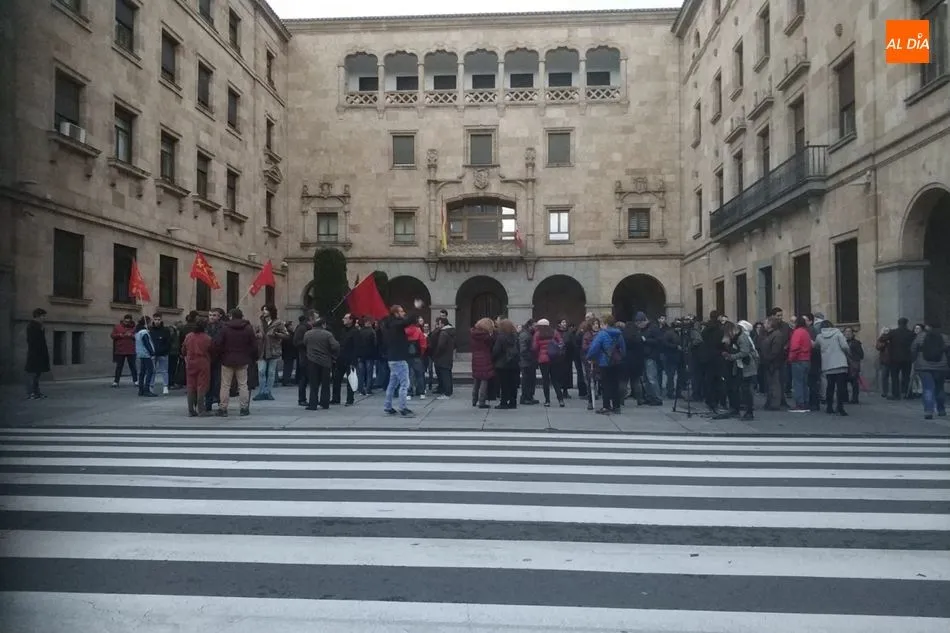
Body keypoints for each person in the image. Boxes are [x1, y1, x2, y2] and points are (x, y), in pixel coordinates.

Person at [380, 301, 423, 416]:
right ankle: (403, 407)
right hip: (399, 358)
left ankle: (388, 406)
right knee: (405, 384)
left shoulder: (388, 324)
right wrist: (415, 309)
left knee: (392, 383)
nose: (403, 313)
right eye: (401, 311)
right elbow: (407, 321)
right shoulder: (396, 324)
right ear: (395, 313)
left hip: (392, 358)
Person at [213, 307, 258, 417]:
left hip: (227, 359)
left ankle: (223, 408)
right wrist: (253, 357)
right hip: (243, 359)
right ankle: (244, 408)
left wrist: (220, 355)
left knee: (225, 385)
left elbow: (217, 344)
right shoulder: (248, 328)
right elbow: (254, 345)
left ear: (231, 316)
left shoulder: (225, 328)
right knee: (243, 385)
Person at [586, 314, 626, 414]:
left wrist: (589, 357)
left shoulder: (602, 334)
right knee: (615, 384)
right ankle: (616, 406)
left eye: (602, 323)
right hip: (617, 362)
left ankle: (606, 406)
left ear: (606, 324)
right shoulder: (619, 334)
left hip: (605, 362)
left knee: (606, 384)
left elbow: (594, 348)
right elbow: (623, 349)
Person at [911, 321, 949, 420]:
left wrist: (914, 360)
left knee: (928, 388)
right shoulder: (945, 337)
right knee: (940, 388)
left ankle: (928, 410)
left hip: (924, 367)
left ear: (929, 327)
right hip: (941, 366)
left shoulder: (921, 336)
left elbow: (913, 348)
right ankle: (941, 409)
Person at [814, 320, 851, 416]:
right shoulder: (838, 333)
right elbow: (844, 346)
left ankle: (829, 407)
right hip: (840, 363)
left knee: (830, 387)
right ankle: (840, 407)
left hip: (828, 364)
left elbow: (816, 347)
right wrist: (847, 353)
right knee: (840, 387)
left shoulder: (819, 336)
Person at [254, 304, 289, 401]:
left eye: (266, 309)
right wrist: (257, 335)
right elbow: (254, 333)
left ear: (271, 311)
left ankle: (268, 392)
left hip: (273, 350)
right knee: (261, 371)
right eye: (263, 310)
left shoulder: (278, 322)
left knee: (271, 372)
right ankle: (261, 392)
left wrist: (277, 334)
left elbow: (286, 335)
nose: (264, 311)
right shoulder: (259, 322)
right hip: (261, 350)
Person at [303, 316, 339, 410]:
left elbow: (304, 343)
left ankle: (313, 404)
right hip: (325, 362)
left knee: (314, 384)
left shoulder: (307, 334)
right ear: (323, 325)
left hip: (312, 361)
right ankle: (325, 403)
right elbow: (335, 346)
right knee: (325, 384)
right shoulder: (328, 334)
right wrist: (333, 355)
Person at [181, 318, 213, 417]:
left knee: (191, 386)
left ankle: (191, 410)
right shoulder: (207, 338)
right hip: (203, 362)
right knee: (201, 386)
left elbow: (183, 350)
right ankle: (201, 410)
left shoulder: (188, 336)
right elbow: (212, 351)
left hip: (190, 362)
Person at [532, 318, 566, 407]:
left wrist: (537, 355)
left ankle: (547, 401)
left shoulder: (538, 334)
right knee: (555, 380)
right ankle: (561, 400)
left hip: (543, 360)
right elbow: (561, 343)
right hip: (554, 359)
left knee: (545, 380)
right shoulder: (554, 332)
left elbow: (535, 347)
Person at [492, 319, 520, 409]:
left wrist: (493, 359)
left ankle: (504, 402)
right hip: (514, 364)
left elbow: (496, 350)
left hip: (502, 364)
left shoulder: (501, 337)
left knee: (504, 384)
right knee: (513, 384)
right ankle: (513, 402)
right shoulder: (516, 336)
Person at [884, 317, 915, 400]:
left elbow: (884, 339)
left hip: (895, 358)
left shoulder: (893, 332)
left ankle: (896, 394)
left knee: (894, 377)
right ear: (906, 323)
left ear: (898, 323)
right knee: (906, 376)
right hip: (907, 358)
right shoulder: (910, 333)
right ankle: (906, 393)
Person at [787, 316, 812, 412]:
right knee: (804, 383)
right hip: (806, 359)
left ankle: (800, 404)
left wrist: (790, 358)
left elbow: (795, 347)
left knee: (797, 383)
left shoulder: (797, 332)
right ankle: (805, 402)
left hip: (798, 360)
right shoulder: (806, 332)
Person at [470, 317, 496, 409]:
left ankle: (474, 399)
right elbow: (491, 343)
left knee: (476, 379)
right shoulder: (486, 336)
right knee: (484, 379)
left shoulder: (473, 334)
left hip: (475, 358)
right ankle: (482, 401)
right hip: (485, 357)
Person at [332, 313, 357, 406]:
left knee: (350, 380)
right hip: (340, 358)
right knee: (336, 379)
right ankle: (335, 398)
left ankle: (350, 399)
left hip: (350, 359)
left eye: (345, 318)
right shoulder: (342, 330)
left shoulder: (355, 331)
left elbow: (357, 346)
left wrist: (354, 360)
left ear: (351, 320)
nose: (343, 319)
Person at [25, 308, 50, 399]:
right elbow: (32, 341)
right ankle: (31, 393)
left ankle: (36, 392)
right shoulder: (32, 326)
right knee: (32, 373)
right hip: (34, 353)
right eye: (43, 316)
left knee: (37, 374)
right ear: (38, 316)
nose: (44, 318)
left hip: (39, 353)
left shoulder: (39, 326)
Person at [431, 316, 456, 399]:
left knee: (445, 376)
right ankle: (449, 391)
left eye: (439, 323)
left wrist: (436, 355)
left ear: (442, 323)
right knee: (447, 374)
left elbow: (441, 346)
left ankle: (447, 393)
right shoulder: (451, 331)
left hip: (442, 358)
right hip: (448, 357)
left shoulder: (443, 333)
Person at [111, 314, 138, 387]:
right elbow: (112, 335)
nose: (127, 323)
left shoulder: (134, 328)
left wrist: (131, 335)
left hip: (131, 350)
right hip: (120, 350)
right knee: (119, 366)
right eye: (125, 321)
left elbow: (137, 337)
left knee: (133, 366)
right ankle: (116, 382)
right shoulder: (117, 327)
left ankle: (135, 381)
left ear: (131, 321)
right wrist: (120, 335)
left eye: (128, 321)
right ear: (123, 320)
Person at [148, 313, 172, 395]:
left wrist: (163, 350)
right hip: (153, 354)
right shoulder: (150, 330)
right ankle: (151, 386)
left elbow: (168, 342)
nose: (157, 321)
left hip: (163, 354)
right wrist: (151, 352)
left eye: (158, 319)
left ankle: (165, 386)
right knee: (152, 371)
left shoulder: (165, 330)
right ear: (153, 320)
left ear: (161, 320)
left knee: (164, 371)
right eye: (155, 319)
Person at [293, 312, 314, 405]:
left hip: (308, 356)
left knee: (307, 379)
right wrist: (308, 342)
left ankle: (307, 399)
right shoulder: (302, 328)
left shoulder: (306, 328)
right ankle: (302, 399)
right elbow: (296, 342)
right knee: (304, 379)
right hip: (305, 357)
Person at [405, 317, 428, 400]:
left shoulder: (404, 331)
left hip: (407, 357)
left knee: (409, 375)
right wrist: (421, 353)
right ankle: (421, 392)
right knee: (419, 375)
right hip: (417, 356)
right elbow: (423, 344)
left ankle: (409, 393)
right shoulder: (418, 331)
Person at [134, 316, 156, 397]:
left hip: (140, 353)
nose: (150, 324)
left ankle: (141, 390)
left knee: (142, 372)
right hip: (146, 354)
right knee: (150, 371)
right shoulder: (144, 332)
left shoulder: (137, 332)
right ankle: (146, 389)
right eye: (149, 322)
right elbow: (147, 343)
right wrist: (152, 352)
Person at [355, 316, 377, 395]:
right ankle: (368, 390)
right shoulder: (372, 332)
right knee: (369, 373)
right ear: (369, 322)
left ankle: (360, 390)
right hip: (369, 355)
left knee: (361, 374)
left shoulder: (360, 331)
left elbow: (356, 343)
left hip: (360, 355)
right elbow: (375, 344)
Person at [518, 319, 538, 405]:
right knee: (526, 380)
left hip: (530, 361)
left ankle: (529, 396)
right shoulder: (525, 335)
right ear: (530, 326)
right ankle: (525, 397)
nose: (536, 327)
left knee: (531, 380)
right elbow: (523, 350)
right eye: (535, 326)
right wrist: (531, 357)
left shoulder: (529, 334)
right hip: (526, 362)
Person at [844, 327, 865, 404]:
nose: (847, 333)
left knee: (854, 383)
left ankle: (855, 399)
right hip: (844, 364)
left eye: (849, 331)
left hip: (853, 365)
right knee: (843, 383)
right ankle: (845, 398)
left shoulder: (856, 343)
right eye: (846, 331)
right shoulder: (842, 342)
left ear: (853, 333)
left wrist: (854, 359)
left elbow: (861, 355)